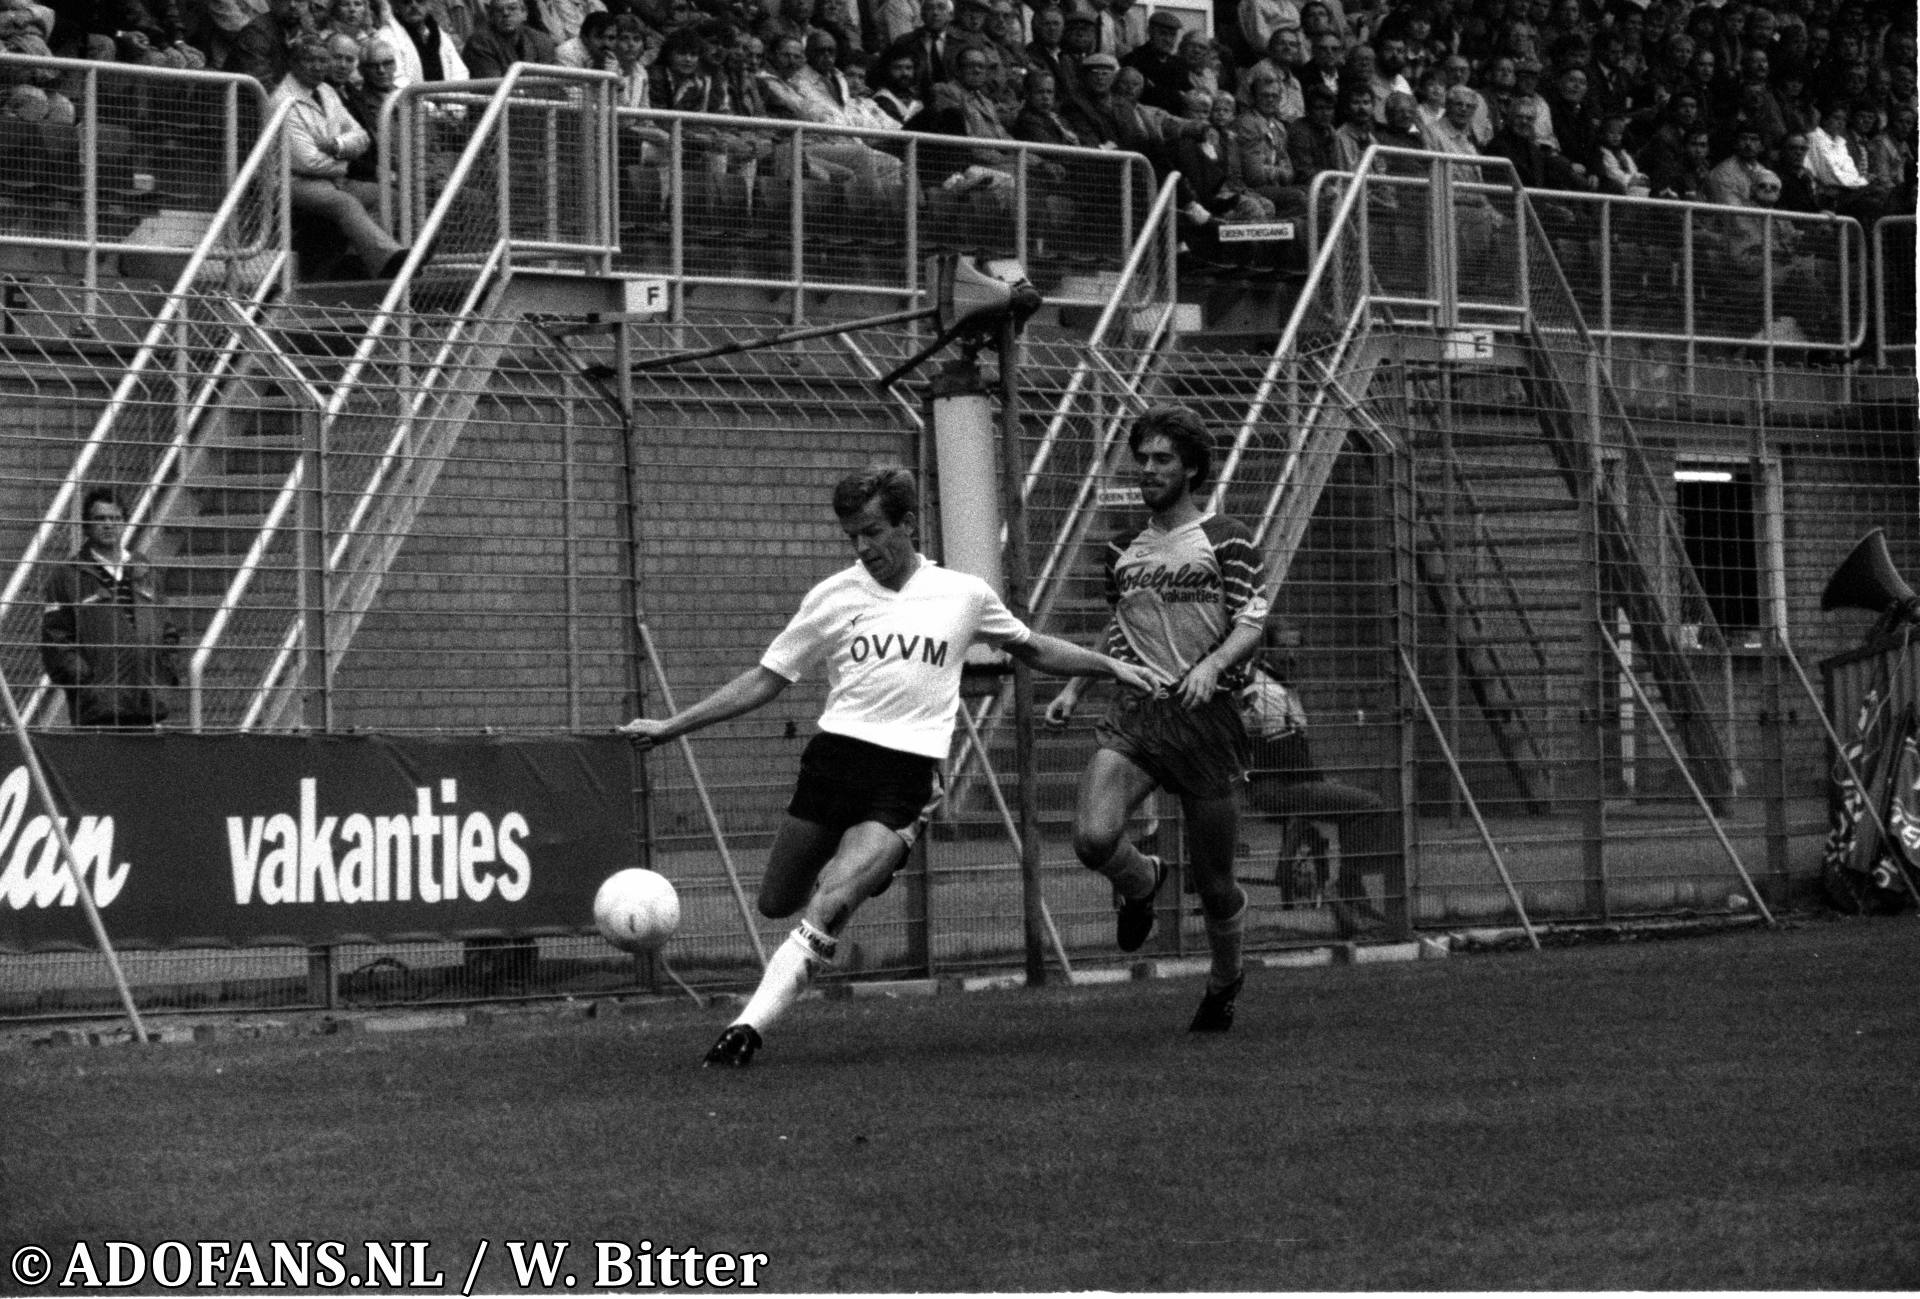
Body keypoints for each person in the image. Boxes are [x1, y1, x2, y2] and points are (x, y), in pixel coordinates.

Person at [621, 466, 1154, 1068]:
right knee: (777, 900)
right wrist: (671, 726)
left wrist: (1109, 667)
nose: (862, 547)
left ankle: (746, 1028)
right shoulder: (832, 596)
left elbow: (1033, 646)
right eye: (852, 536)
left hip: (903, 775)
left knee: (831, 898)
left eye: (872, 532)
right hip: (833, 763)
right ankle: (866, 870)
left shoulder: (963, 593)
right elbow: (765, 679)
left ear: (908, 524)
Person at [1044, 406, 1270, 1034]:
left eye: (1162, 458)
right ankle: (1143, 881)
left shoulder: (1227, 537)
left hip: (1207, 719)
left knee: (1215, 884)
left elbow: (1252, 621)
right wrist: (1075, 686)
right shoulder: (1121, 548)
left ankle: (1225, 981)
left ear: (1192, 468)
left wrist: (1212, 666)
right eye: (1141, 458)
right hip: (1138, 713)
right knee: (1092, 839)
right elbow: (1118, 625)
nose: (1147, 468)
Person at [1238, 618, 1390, 937]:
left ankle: (1352, 894)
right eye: (1284, 647)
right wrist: (1320, 782)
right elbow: (1285, 755)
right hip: (1276, 786)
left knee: (1351, 803)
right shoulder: (1267, 690)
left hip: (1281, 781)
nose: (1292, 655)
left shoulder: (1277, 684)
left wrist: (1319, 782)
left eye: (1297, 647)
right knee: (1368, 806)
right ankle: (1346, 889)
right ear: (1267, 650)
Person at [41, 487, 182, 730]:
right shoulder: (67, 576)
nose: (108, 525)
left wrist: (162, 674)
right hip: (98, 711)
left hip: (147, 707)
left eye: (115, 518)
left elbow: (167, 631)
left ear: (124, 523)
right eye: (100, 518)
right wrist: (86, 683)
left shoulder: (146, 572)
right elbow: (55, 642)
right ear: (86, 526)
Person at [274, 34, 411, 277]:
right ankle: (386, 257)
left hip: (331, 177)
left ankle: (356, 263)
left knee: (388, 195)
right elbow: (307, 162)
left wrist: (336, 145)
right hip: (294, 181)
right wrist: (345, 163)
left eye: (322, 60)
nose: (318, 66)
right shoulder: (281, 100)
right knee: (344, 203)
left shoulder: (326, 91)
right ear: (293, 63)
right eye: (309, 60)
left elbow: (361, 136)